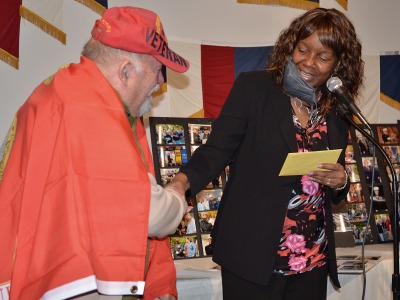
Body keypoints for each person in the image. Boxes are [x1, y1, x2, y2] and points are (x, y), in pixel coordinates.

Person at [167, 8, 361, 299]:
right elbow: (215, 151)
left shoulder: (336, 109)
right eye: (302, 50)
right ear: (290, 46)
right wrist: (181, 183)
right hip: (252, 257)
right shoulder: (255, 89)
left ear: (338, 64)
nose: (308, 62)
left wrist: (341, 180)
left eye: (322, 58)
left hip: (312, 259)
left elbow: (334, 186)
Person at [0, 6, 190, 300]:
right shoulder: (92, 109)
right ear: (126, 71)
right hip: (74, 283)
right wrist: (178, 197)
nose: (160, 82)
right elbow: (145, 211)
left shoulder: (61, 91)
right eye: (158, 70)